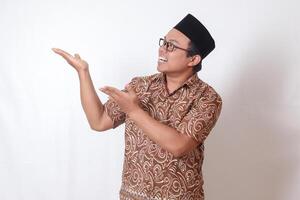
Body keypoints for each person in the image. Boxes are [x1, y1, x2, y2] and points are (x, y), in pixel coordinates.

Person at [52, 13, 222, 200]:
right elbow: (98, 121)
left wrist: (133, 110)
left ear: (193, 60)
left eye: (171, 46)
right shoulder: (140, 87)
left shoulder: (207, 98)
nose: (162, 50)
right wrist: (83, 72)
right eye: (163, 43)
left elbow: (179, 145)